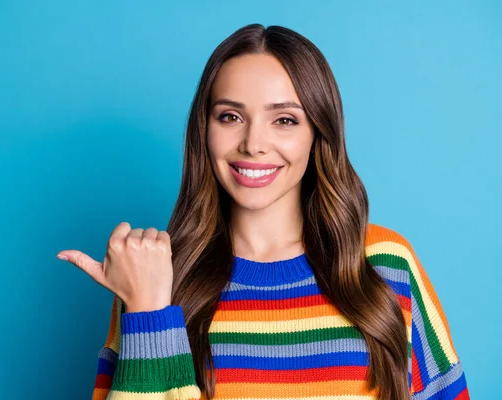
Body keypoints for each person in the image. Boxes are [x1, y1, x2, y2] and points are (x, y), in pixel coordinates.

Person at [57, 23, 469, 400]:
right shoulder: (156, 275)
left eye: (285, 120)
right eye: (231, 117)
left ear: (318, 133)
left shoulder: (385, 262)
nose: (253, 143)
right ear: (205, 129)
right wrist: (147, 310)